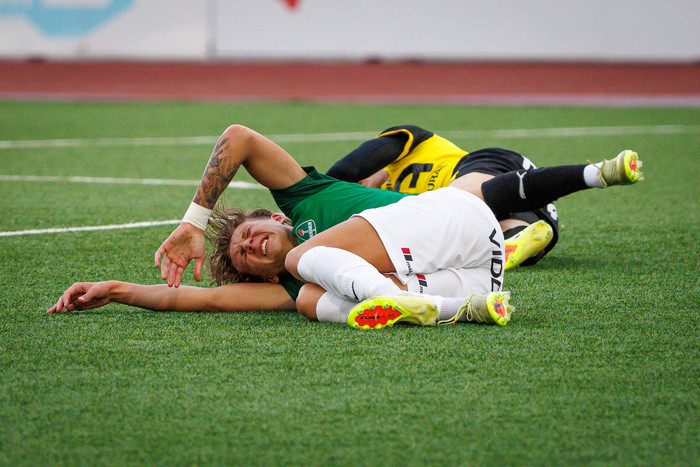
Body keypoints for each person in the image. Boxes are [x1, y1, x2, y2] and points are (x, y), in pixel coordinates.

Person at [49, 124, 643, 329]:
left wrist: (195, 221)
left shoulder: (306, 196)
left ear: (277, 214)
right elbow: (195, 299)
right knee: (310, 299)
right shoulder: (284, 286)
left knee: (304, 268)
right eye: (246, 256)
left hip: (448, 219)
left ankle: (588, 178)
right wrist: (116, 290)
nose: (250, 246)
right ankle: (457, 307)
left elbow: (239, 138)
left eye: (250, 233)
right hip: (470, 271)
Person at [326, 125, 559, 269]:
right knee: (500, 226)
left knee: (469, 197)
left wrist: (323, 191)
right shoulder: (378, 207)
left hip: (487, 173)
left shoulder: (416, 142)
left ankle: (508, 239)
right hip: (527, 212)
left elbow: (350, 167)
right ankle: (515, 237)